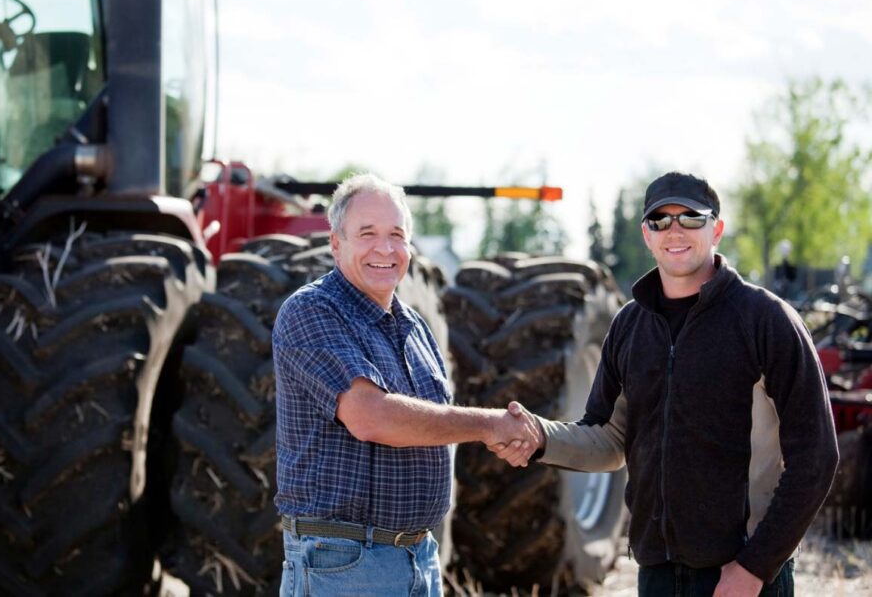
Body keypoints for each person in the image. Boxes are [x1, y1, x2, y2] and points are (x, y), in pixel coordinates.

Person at [494, 171, 839, 597]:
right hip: (656, 571)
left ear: (717, 229)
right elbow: (609, 439)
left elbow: (817, 457)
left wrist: (755, 565)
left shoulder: (766, 321)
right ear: (646, 234)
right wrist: (540, 437)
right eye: (660, 220)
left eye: (691, 218)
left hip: (741, 575)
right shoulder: (629, 325)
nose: (674, 230)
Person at [272, 173, 540, 596]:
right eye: (368, 234)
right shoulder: (312, 311)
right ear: (336, 244)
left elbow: (428, 425)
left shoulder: (414, 327)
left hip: (419, 557)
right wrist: (490, 426)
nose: (385, 248)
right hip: (343, 565)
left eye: (397, 235)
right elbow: (370, 416)